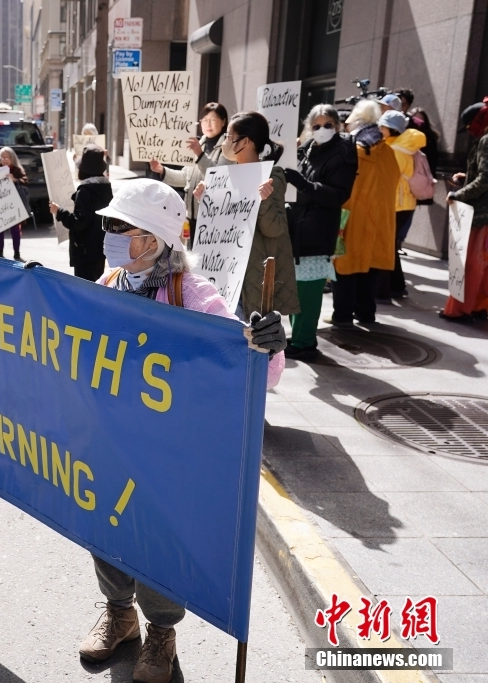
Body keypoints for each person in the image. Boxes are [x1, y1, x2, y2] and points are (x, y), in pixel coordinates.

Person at [81, 178, 286, 683]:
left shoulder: (193, 295)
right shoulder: (107, 283)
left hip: (165, 459)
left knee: (157, 542)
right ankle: (120, 615)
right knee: (102, 530)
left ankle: (161, 632)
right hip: (109, 444)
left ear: (151, 239)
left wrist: (268, 345)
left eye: (117, 225)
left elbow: (256, 369)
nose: (105, 232)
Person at [193, 111, 300, 321]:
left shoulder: (271, 176)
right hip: (223, 271)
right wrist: (205, 199)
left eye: (229, 137)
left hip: (251, 278)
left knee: (246, 339)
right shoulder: (224, 176)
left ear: (246, 142)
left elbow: (275, 229)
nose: (225, 142)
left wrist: (265, 200)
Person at [283, 105, 358, 360]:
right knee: (297, 289)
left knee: (309, 292)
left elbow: (338, 195)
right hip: (299, 229)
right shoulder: (308, 148)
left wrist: (301, 182)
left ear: (337, 125)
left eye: (327, 124)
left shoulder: (343, 153)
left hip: (317, 231)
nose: (322, 130)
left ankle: (305, 342)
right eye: (316, 126)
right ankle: (300, 336)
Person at [332, 100, 401, 326]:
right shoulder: (388, 151)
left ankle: (342, 316)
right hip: (379, 221)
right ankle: (366, 314)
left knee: (345, 268)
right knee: (369, 269)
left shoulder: (355, 150)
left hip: (352, 219)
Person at [149, 102, 229, 246]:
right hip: (191, 215)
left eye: (212, 119)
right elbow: (185, 178)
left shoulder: (227, 147)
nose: (208, 124)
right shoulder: (199, 144)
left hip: (213, 216)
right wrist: (162, 170)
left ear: (223, 121)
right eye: (204, 120)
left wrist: (199, 154)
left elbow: (219, 176)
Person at [441, 97, 488, 322]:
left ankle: (459, 310)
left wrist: (458, 194)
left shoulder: (486, 140)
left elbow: (485, 179)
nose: (469, 131)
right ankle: (479, 306)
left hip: (480, 214)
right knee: (482, 266)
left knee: (468, 264)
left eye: (469, 127)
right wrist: (466, 177)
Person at [378, 109, 426, 300]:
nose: (380, 129)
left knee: (386, 246)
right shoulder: (402, 146)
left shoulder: (396, 150)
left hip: (395, 203)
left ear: (391, 129)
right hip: (404, 203)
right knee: (390, 246)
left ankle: (387, 288)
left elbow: (388, 178)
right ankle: (397, 286)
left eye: (383, 126)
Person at [49, 144, 112, 281]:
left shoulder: (85, 191)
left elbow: (79, 222)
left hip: (85, 250)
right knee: (97, 285)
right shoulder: (105, 187)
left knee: (85, 288)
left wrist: (59, 212)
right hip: (100, 247)